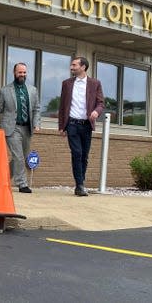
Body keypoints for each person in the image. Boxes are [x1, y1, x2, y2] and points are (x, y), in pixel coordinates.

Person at [0, 63, 40, 193]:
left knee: (22, 156)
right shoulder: (5, 90)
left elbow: (36, 109)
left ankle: (1, 179)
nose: (22, 75)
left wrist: (36, 123)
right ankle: (22, 184)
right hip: (11, 128)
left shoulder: (33, 90)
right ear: (14, 73)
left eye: (24, 72)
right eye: (20, 72)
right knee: (18, 156)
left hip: (27, 128)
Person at [58, 56, 104, 197]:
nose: (71, 67)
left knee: (84, 156)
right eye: (72, 65)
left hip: (86, 125)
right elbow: (62, 106)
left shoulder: (95, 83)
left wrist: (96, 111)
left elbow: (101, 102)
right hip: (72, 124)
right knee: (76, 153)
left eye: (74, 65)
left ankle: (80, 183)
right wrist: (62, 126)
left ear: (83, 67)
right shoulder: (66, 84)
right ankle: (79, 185)